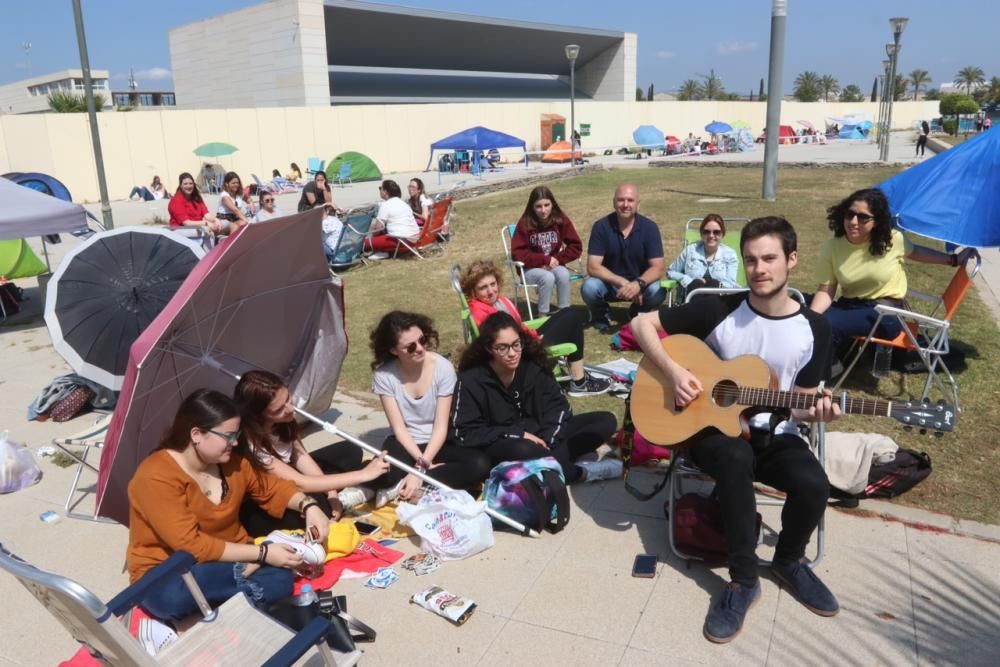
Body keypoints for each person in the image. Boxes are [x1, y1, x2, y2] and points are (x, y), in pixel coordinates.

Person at [631, 216, 842, 644]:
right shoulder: (719, 309)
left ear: (792, 260)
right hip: (712, 431)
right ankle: (744, 581)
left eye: (769, 258)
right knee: (734, 457)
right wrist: (672, 373)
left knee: (815, 484)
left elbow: (799, 404)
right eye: (751, 260)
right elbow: (640, 325)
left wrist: (816, 413)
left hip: (774, 432)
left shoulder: (816, 329)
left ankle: (789, 560)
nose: (759, 268)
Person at [127, 389, 330, 626]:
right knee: (174, 596)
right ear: (196, 434)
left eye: (237, 434)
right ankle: (224, 603)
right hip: (170, 571)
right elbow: (191, 546)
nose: (235, 442)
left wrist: (309, 506)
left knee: (281, 579)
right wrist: (262, 555)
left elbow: (272, 488)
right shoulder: (155, 477)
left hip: (230, 560)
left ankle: (198, 620)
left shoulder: (233, 463)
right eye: (228, 436)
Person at [452, 312, 620, 483]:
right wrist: (519, 435)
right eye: (502, 348)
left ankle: (549, 464)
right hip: (505, 443)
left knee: (606, 421)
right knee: (524, 449)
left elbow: (560, 408)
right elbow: (464, 433)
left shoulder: (533, 365)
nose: (512, 353)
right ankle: (580, 472)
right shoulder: (471, 380)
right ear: (489, 348)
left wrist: (548, 441)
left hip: (541, 436)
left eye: (516, 344)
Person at [809, 188, 976, 358]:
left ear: (876, 221)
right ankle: (835, 356)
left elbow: (916, 252)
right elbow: (825, 291)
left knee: (827, 323)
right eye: (849, 214)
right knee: (796, 305)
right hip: (850, 306)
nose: (853, 221)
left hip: (884, 314)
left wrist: (953, 260)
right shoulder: (833, 247)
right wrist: (811, 316)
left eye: (863, 217)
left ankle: (821, 375)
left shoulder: (892, 239)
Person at [233, 371, 388, 535]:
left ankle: (343, 494)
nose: (290, 408)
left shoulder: (283, 421)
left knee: (351, 451)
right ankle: (354, 494)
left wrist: (331, 492)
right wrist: (363, 475)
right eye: (279, 409)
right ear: (259, 414)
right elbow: (300, 483)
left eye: (287, 398)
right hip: (266, 501)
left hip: (292, 478)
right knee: (318, 505)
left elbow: (301, 456)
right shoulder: (250, 443)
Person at [368, 311, 492, 505]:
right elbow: (399, 428)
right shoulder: (384, 375)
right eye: (410, 347)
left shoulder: (443, 368)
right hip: (406, 442)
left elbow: (441, 426)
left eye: (422, 340)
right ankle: (391, 484)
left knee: (479, 464)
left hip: (439, 442)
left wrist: (421, 469)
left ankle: (413, 482)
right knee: (384, 471)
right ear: (394, 350)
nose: (419, 348)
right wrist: (421, 462)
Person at [461, 260, 610, 396]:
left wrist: (531, 336)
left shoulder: (499, 301)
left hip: (526, 340)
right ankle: (579, 382)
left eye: (493, 284)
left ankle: (579, 380)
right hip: (522, 352)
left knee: (569, 313)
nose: (491, 291)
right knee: (573, 320)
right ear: (473, 291)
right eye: (483, 287)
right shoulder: (480, 312)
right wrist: (532, 341)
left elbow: (517, 326)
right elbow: (501, 343)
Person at [581, 183, 667, 332]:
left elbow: (658, 268)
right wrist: (623, 282)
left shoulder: (650, 228)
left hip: (641, 285)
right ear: (614, 202)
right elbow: (593, 267)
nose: (625, 205)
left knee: (658, 289)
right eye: (621, 200)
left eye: (630, 200)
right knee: (589, 287)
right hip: (609, 284)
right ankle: (602, 315)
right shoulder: (601, 227)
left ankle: (636, 311)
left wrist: (638, 284)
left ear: (638, 204)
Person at [510, 185, 584, 316]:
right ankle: (542, 315)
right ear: (532, 207)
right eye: (538, 206)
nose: (543, 210)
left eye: (547, 205)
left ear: (553, 204)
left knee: (563, 273)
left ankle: (564, 313)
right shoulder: (525, 223)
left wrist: (557, 259)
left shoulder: (561, 220)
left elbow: (576, 246)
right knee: (547, 277)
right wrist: (544, 260)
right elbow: (517, 254)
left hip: (553, 264)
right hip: (529, 270)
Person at [667, 214, 739, 298]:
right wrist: (689, 280)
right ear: (701, 234)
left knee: (713, 284)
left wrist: (710, 285)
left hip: (719, 300)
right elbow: (670, 272)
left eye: (716, 232)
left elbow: (730, 284)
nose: (711, 235)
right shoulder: (690, 251)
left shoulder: (730, 254)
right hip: (693, 297)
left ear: (722, 234)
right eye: (707, 232)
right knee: (696, 284)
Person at [365, 180, 420, 258]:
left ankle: (381, 250)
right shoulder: (403, 203)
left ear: (386, 192)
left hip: (401, 241)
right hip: (414, 239)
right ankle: (383, 251)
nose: (380, 190)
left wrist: (372, 241)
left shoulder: (386, 205)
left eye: (381, 188)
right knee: (383, 232)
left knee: (365, 244)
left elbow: (377, 228)